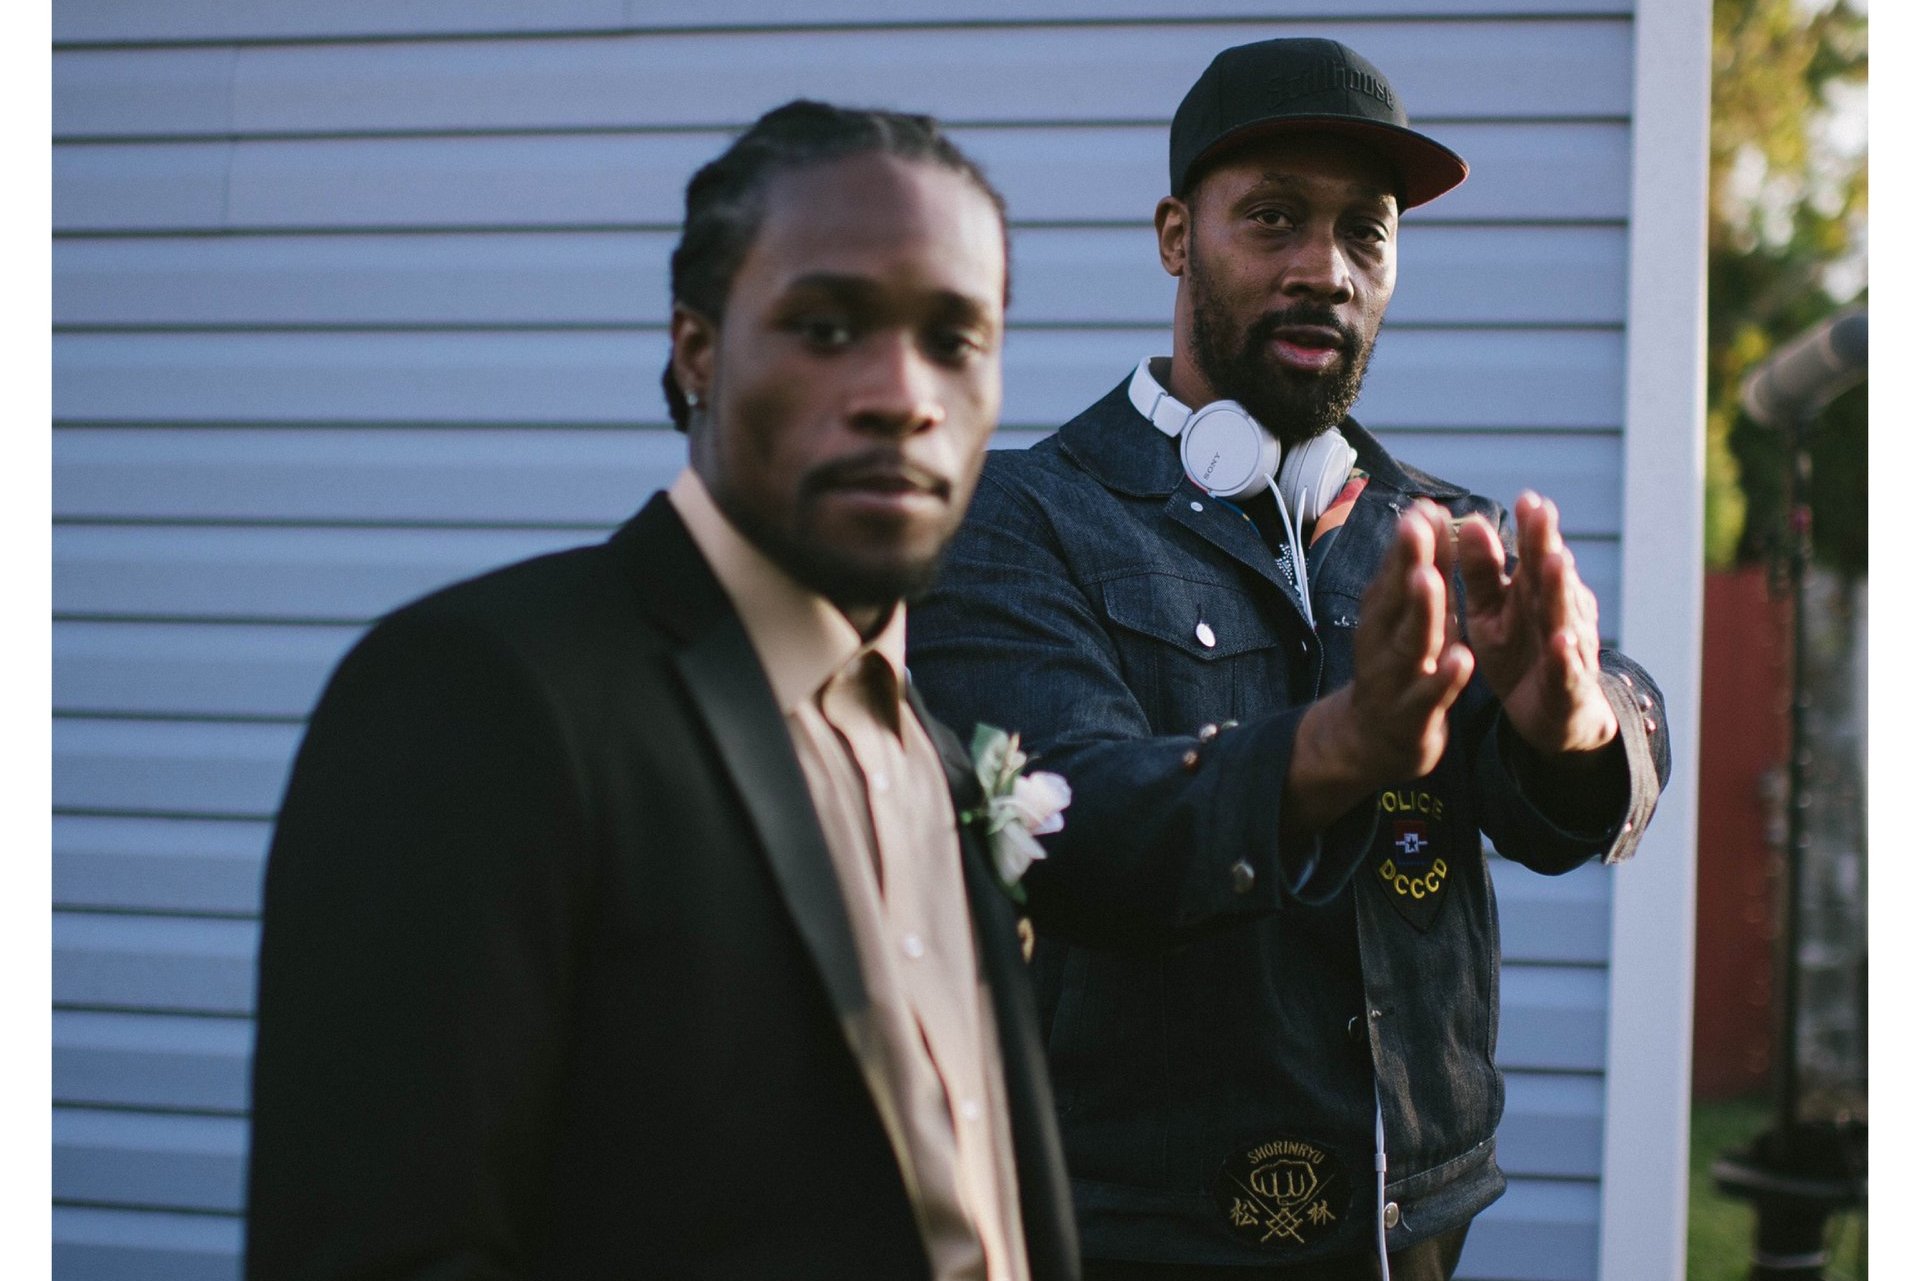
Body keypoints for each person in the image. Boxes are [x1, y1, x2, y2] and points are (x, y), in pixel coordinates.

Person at [245, 101, 1079, 1281]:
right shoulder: (478, 695)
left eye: (955, 339)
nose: (903, 391)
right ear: (698, 348)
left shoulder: (945, 760)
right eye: (828, 325)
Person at [906, 39, 1671, 1281]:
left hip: (1417, 1223)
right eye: (1274, 219)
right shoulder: (1020, 519)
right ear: (1174, 235)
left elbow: (1589, 784)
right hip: (1135, 1232)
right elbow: (1065, 822)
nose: (1325, 269)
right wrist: (1339, 747)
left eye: (1365, 233)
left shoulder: (1439, 531)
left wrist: (1572, 723)